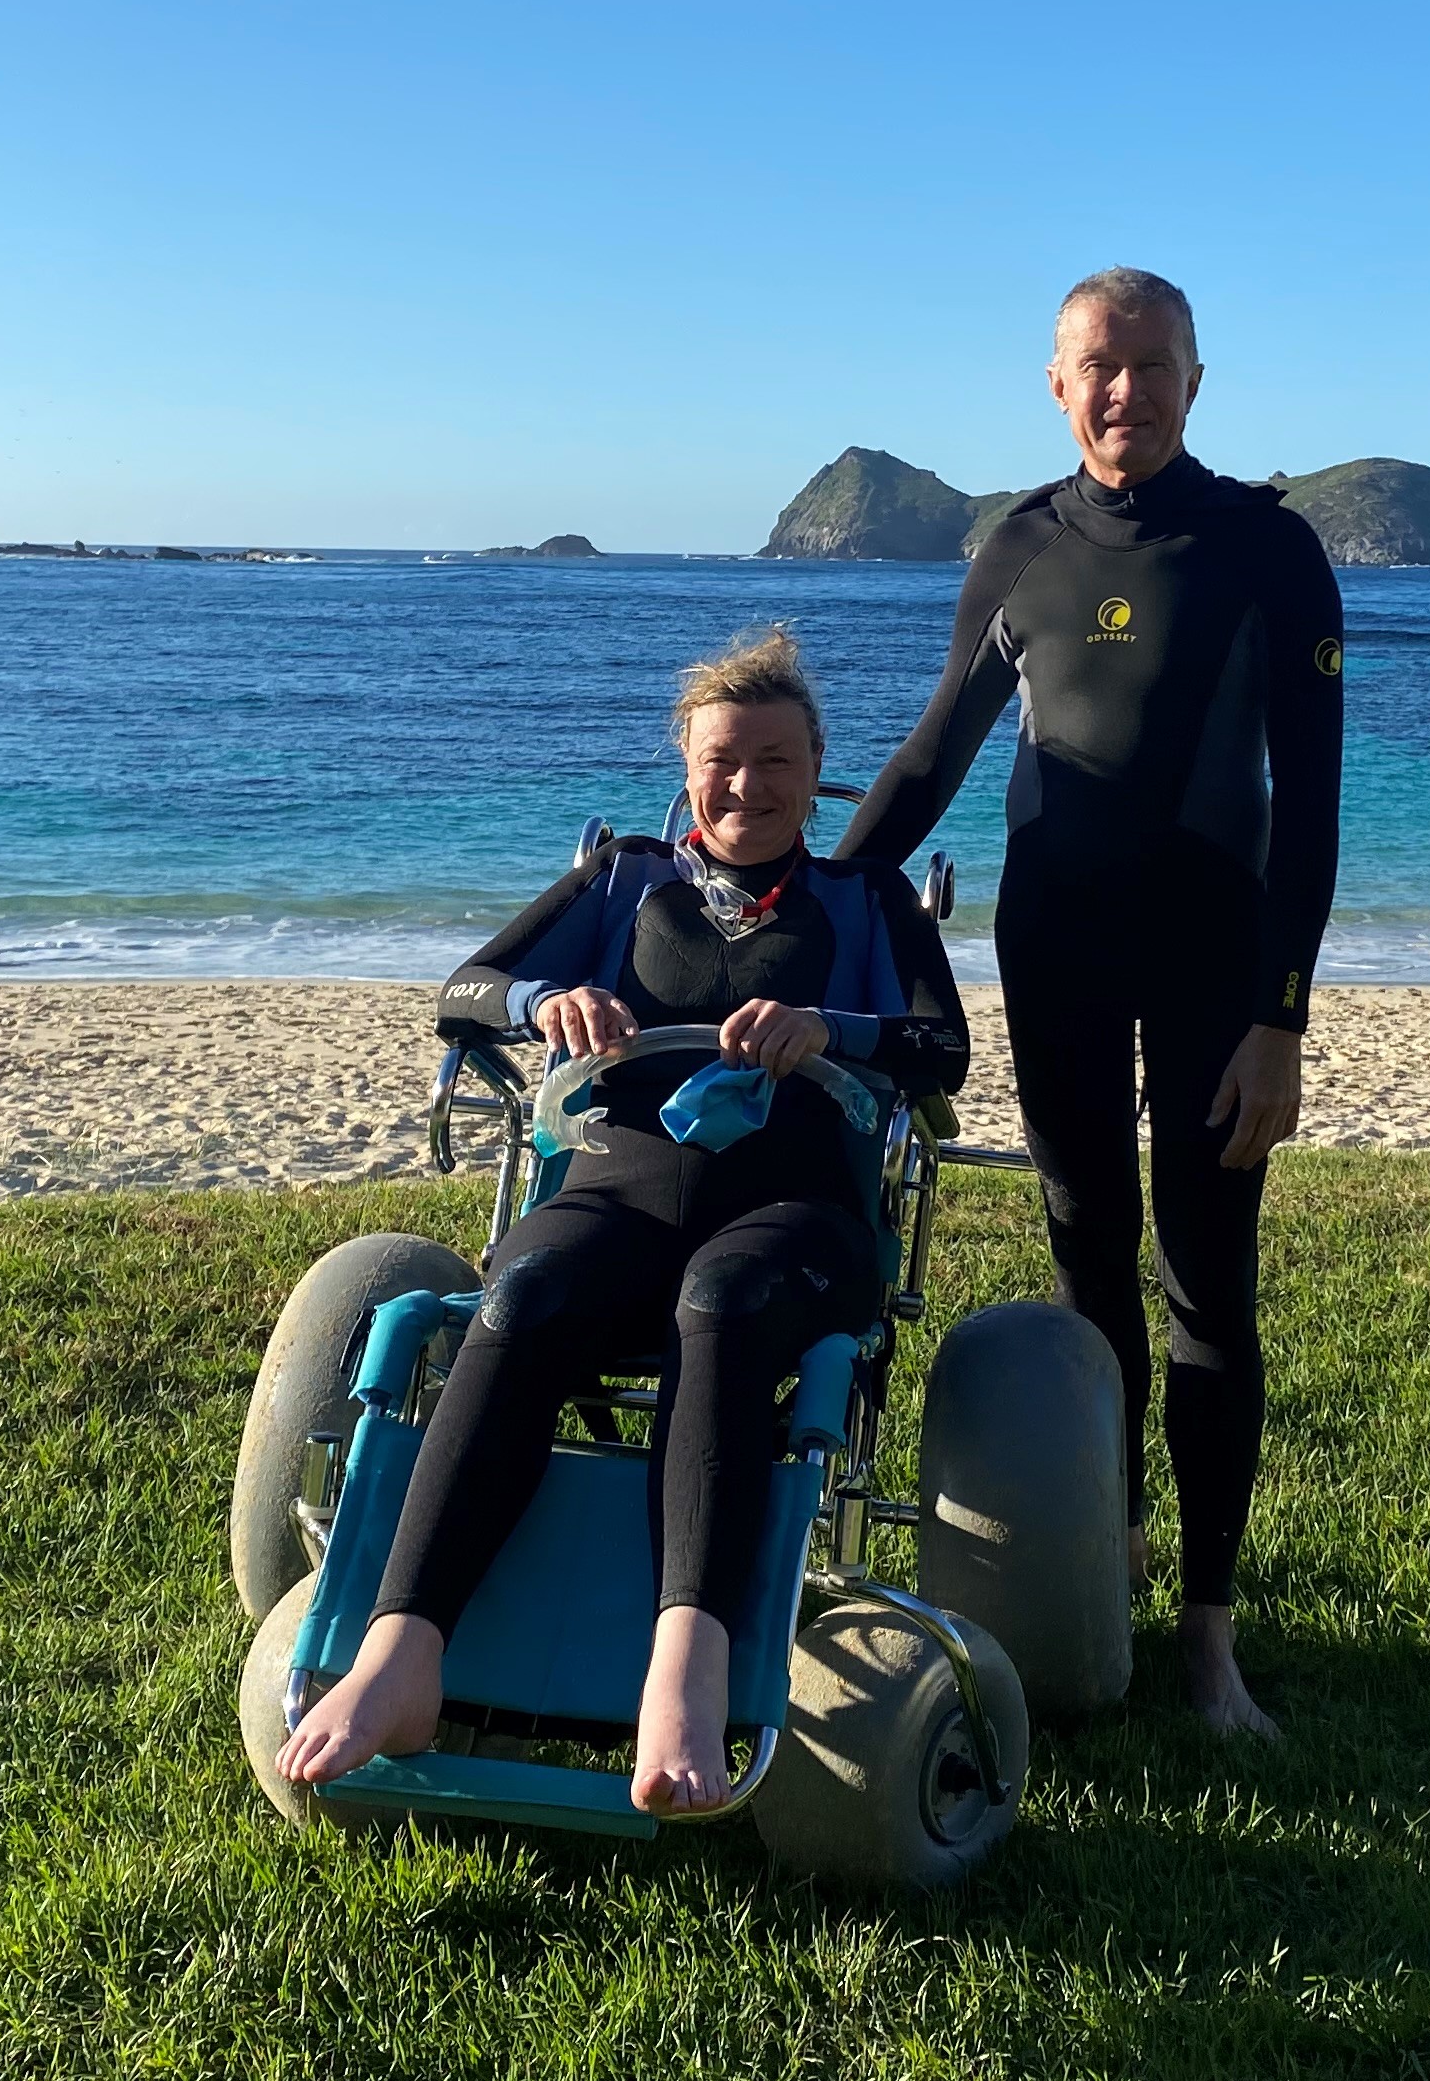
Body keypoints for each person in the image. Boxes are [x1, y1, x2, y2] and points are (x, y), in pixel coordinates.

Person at [275, 628, 968, 1814]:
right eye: (720, 758)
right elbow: (466, 991)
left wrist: (829, 1029)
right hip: (617, 1191)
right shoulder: (622, 881)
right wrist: (556, 998)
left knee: (725, 1301)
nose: (744, 784)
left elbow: (939, 1048)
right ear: (686, 764)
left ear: (816, 771)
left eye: (773, 761)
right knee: (526, 1296)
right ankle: (403, 1653)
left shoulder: (868, 900)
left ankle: (683, 1673)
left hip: (795, 1213)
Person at [838, 266, 1339, 1741]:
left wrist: (1281, 1018)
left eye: (1152, 364)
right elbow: (935, 756)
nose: (1123, 390)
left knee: (1208, 1290)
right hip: (1052, 948)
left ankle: (1211, 1640)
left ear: (1196, 379)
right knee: (1085, 1268)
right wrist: (815, 899)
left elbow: (1308, 809)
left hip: (1213, 966)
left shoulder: (1267, 548)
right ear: (1055, 384)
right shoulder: (1020, 548)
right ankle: (1106, 1567)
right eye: (1095, 366)